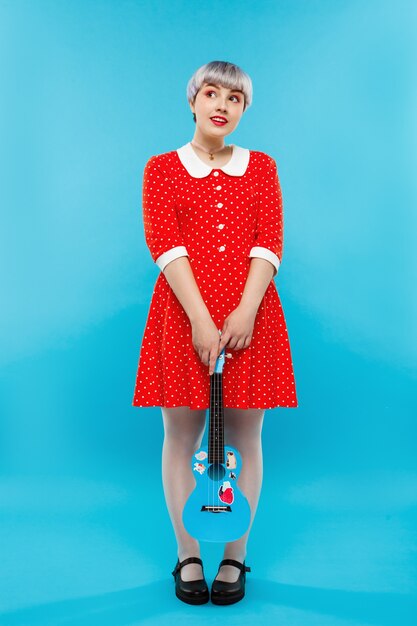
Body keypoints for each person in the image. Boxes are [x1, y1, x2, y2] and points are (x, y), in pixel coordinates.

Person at [132, 60, 298, 605]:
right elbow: (165, 244)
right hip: (183, 315)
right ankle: (187, 555)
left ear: (244, 109)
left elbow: (268, 241)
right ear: (193, 100)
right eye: (212, 93)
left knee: (246, 440)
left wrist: (246, 311)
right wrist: (202, 319)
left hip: (251, 317)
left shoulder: (263, 167)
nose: (222, 105)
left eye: (235, 98)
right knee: (181, 439)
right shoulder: (161, 168)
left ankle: (234, 558)